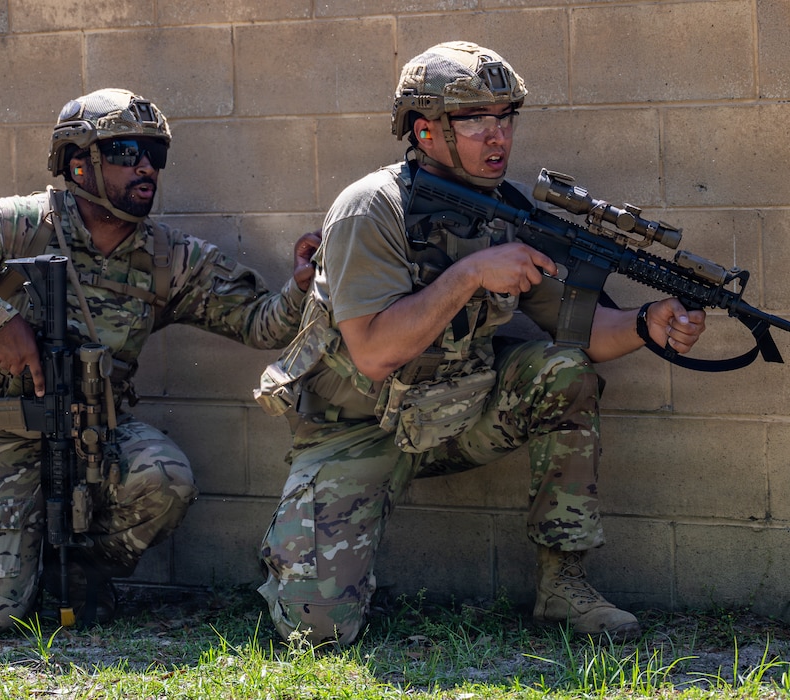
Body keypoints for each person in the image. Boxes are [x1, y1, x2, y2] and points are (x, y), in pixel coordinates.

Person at [254, 41, 707, 645]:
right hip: (357, 431)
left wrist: (650, 322)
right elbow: (374, 353)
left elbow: (580, 333)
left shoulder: (506, 212)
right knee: (317, 632)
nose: (497, 137)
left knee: (563, 370)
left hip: (459, 413)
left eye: (504, 118)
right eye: (474, 121)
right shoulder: (372, 208)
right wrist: (470, 273)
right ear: (425, 130)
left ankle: (563, 586)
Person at [0, 88, 320, 637]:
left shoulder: (170, 257)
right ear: (79, 164)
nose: (145, 167)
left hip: (93, 431)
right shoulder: (18, 224)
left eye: (153, 154)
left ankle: (80, 571)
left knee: (165, 481)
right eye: (125, 151)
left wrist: (304, 285)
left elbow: (261, 322)